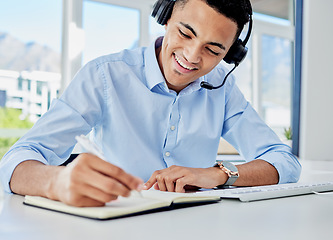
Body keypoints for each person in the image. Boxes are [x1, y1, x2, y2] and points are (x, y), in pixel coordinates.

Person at [0, 0, 301, 207]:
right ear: (166, 15)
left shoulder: (223, 87)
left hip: (199, 224)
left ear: (229, 55)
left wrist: (218, 174)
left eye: (213, 49)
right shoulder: (106, 74)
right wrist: (56, 182)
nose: (192, 57)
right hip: (116, 222)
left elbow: (284, 162)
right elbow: (17, 160)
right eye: (186, 33)